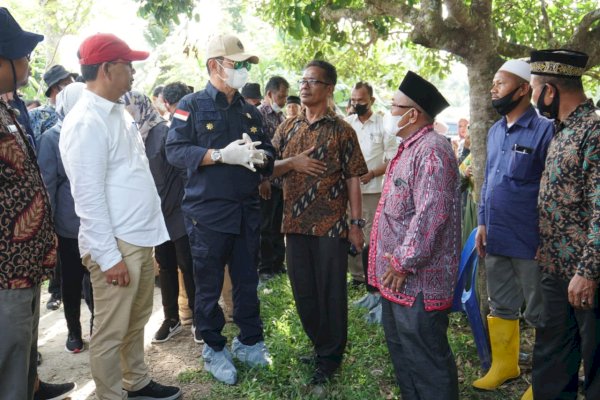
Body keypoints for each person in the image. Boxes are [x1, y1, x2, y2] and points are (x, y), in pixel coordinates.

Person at [59, 33, 181, 400]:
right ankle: (111, 394)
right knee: (111, 329)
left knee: (136, 318)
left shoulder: (116, 112)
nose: (132, 73)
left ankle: (137, 382)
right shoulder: (85, 121)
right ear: (108, 69)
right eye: (128, 66)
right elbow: (88, 197)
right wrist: (109, 256)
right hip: (116, 242)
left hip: (137, 236)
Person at [166, 33, 274, 385]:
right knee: (209, 285)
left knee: (246, 279)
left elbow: (269, 151)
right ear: (215, 66)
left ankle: (249, 341)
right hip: (208, 215)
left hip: (246, 212)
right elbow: (175, 151)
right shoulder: (191, 105)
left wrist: (262, 158)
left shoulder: (250, 111)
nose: (242, 70)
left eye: (245, 65)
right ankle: (214, 347)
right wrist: (218, 155)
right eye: (237, 64)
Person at [272, 60, 368, 384]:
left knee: (331, 293)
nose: (304, 85)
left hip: (330, 226)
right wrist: (293, 163)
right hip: (294, 224)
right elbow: (268, 167)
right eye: (303, 80)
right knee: (304, 292)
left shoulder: (343, 130)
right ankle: (319, 344)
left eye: (313, 81)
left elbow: (354, 177)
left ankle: (330, 357)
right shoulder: (287, 128)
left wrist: (356, 224)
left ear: (329, 89)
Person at [368, 71, 460, 400]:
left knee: (426, 359)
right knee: (404, 356)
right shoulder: (410, 147)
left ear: (413, 113)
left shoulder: (432, 150)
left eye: (394, 106)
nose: (389, 112)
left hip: (417, 281)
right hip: (399, 281)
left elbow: (431, 215)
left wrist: (403, 262)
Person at [0, 7, 76, 400]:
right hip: (4, 271)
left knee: (23, 356)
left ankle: (31, 387)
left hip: (25, 265)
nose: (27, 60)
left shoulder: (8, 109)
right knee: (8, 361)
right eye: (20, 52)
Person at [473, 59, 554, 392]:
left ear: (523, 89)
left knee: (541, 313)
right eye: (492, 83)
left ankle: (543, 380)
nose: (494, 89)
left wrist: (547, 237)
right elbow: (488, 182)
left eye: (500, 84)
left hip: (530, 240)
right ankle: (504, 365)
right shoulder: (494, 131)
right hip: (496, 236)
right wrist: (481, 223)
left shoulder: (546, 130)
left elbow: (552, 189)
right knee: (501, 303)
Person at [527, 49, 599, 400]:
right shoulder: (560, 131)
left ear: (550, 91)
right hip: (555, 268)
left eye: (533, 89)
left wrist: (589, 270)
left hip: (588, 276)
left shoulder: (594, 131)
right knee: (551, 362)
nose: (531, 98)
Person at [123, 91, 196, 344]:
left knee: (187, 263)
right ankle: (171, 318)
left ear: (140, 107)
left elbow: (182, 171)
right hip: (154, 213)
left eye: (128, 108)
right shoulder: (131, 135)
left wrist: (189, 205)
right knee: (164, 265)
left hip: (178, 209)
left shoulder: (162, 132)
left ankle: (198, 318)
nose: (126, 113)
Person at [37, 82, 95, 354]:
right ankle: (74, 331)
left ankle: (100, 327)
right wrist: (48, 227)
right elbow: (47, 185)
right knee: (72, 281)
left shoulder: (95, 130)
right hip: (69, 225)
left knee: (99, 280)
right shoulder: (52, 138)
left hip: (97, 222)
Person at [344, 82, 397, 305]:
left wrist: (373, 173)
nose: (356, 104)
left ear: (372, 101)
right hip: (348, 189)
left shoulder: (384, 125)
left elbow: (393, 158)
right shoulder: (346, 124)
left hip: (373, 189)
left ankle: (370, 277)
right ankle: (356, 276)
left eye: (361, 101)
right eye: (353, 100)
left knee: (369, 235)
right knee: (349, 230)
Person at [257, 76, 289, 280]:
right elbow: (258, 149)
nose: (284, 100)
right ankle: (266, 267)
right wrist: (263, 179)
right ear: (269, 94)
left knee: (278, 225)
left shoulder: (281, 117)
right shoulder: (259, 115)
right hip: (266, 180)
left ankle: (278, 264)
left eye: (285, 96)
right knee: (265, 226)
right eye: (281, 96)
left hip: (281, 180)